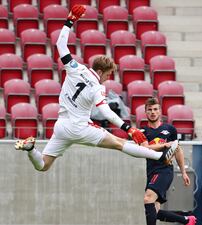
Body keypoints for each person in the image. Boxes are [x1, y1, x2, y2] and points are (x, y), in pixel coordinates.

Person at [14, 5, 178, 172]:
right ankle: (161, 156)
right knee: (120, 143)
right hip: (80, 127)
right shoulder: (97, 87)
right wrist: (129, 128)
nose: (108, 78)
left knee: (43, 165)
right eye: (107, 74)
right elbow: (106, 113)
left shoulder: (75, 67)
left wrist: (70, 21)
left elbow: (60, 44)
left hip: (62, 126)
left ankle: (30, 149)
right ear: (100, 71)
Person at [135, 98, 196, 225]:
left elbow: (177, 150)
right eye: (150, 110)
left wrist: (183, 172)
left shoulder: (170, 129)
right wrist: (164, 145)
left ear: (160, 111)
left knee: (147, 199)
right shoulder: (142, 132)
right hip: (151, 172)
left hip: (165, 170)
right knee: (154, 211)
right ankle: (186, 220)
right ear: (145, 112)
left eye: (155, 109)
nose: (153, 112)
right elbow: (144, 148)